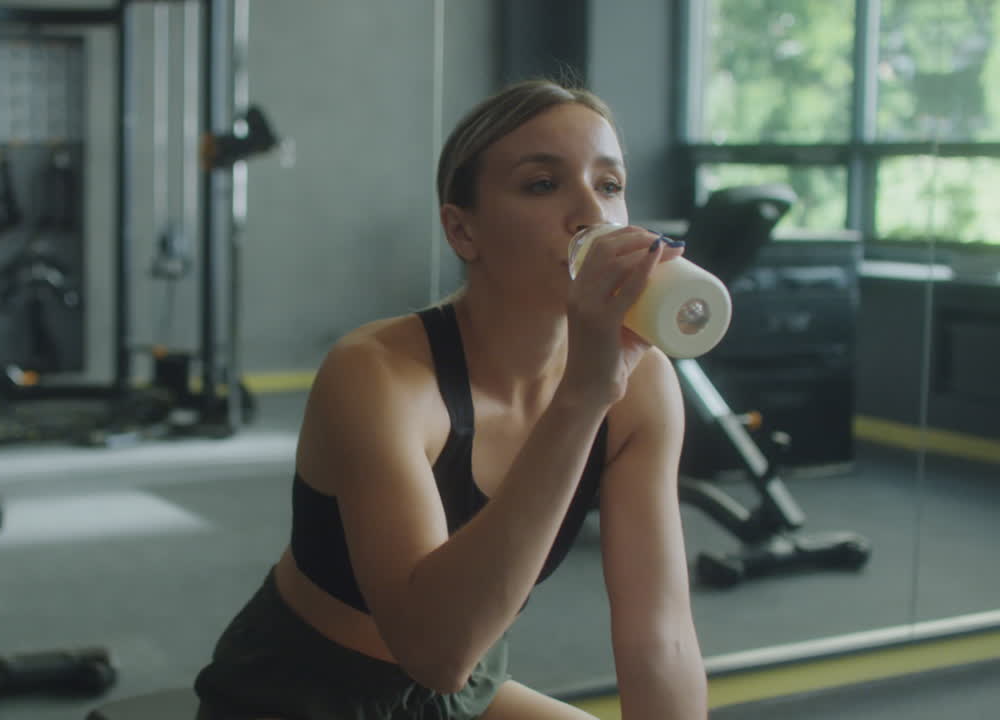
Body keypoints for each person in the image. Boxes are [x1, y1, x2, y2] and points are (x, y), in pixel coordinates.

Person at [192, 78, 709, 719]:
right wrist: (583, 396)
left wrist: (597, 387)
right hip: (304, 693)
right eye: (542, 184)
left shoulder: (642, 383)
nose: (592, 215)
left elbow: (660, 639)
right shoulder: (376, 374)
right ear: (463, 232)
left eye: (608, 185)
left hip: (464, 693)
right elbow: (436, 649)